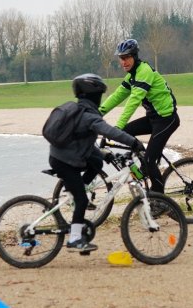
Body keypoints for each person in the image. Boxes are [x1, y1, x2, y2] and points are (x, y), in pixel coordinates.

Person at [49, 73, 143, 252]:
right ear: (94, 96)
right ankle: (75, 239)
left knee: (98, 162)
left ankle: (78, 189)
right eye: (99, 95)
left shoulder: (81, 112)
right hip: (64, 161)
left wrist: (104, 154)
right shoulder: (89, 116)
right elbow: (110, 132)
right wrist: (133, 142)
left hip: (64, 156)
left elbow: (82, 141)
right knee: (82, 200)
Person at [99, 39, 179, 194]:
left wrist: (117, 127)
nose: (124, 62)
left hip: (166, 119)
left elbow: (133, 102)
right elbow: (117, 96)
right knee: (126, 134)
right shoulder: (132, 76)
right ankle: (142, 166)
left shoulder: (144, 72)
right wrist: (95, 114)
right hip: (153, 118)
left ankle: (159, 199)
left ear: (134, 56)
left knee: (149, 160)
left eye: (127, 57)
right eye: (121, 58)